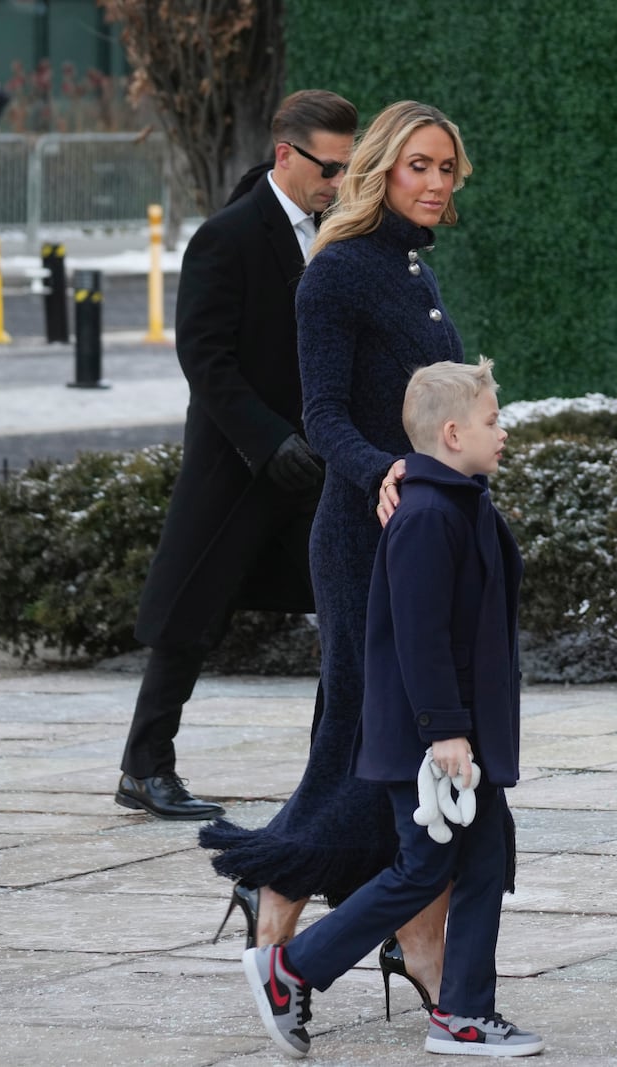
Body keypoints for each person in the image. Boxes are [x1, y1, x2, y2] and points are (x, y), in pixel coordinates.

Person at [201, 99, 473, 1008]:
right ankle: (287, 898)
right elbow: (323, 417)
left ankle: (339, 913)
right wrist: (385, 472)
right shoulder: (338, 273)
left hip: (425, 535)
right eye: (421, 167)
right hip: (365, 537)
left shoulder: (411, 273)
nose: (436, 184)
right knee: (375, 744)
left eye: (446, 170)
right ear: (383, 170)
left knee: (395, 748)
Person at [243, 357, 542, 1059]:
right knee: (421, 870)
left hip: (465, 737)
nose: (503, 431)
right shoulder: (428, 516)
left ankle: (464, 1012)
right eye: (492, 420)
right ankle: (289, 970)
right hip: (433, 742)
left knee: (482, 863)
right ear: (450, 431)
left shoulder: (464, 501)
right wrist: (446, 732)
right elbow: (419, 636)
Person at [114, 90, 357, 822]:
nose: (341, 182)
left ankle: (336, 769)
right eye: (330, 166)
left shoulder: (338, 233)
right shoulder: (227, 236)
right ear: (285, 154)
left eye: (351, 167)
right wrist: (265, 439)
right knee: (189, 618)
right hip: (239, 465)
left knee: (351, 605)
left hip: (314, 463)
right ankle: (144, 765)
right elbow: (206, 357)